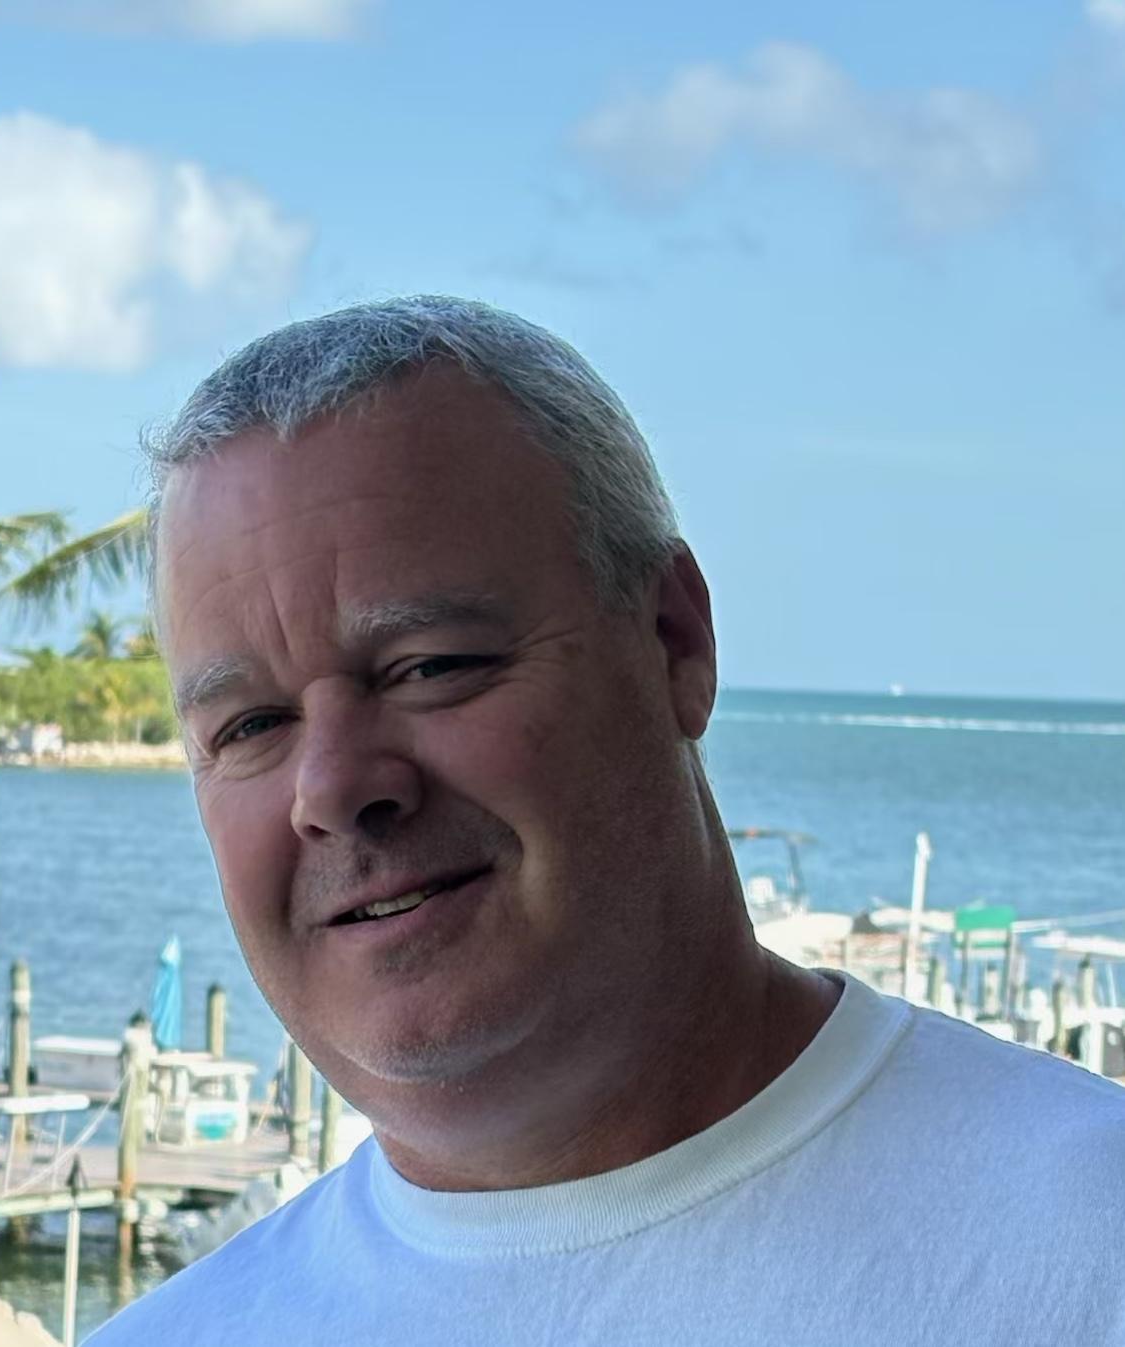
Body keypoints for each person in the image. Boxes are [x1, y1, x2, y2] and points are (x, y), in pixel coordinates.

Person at [89, 297, 1125, 1345]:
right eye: (252, 725)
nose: (331, 788)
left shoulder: (1088, 1244)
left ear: (675, 642)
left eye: (432, 665)